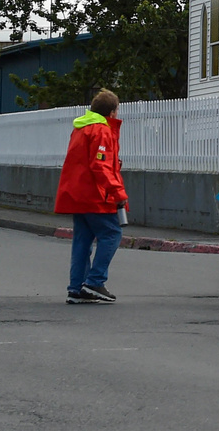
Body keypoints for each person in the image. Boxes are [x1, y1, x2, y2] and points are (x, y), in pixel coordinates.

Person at [54, 89, 127, 304]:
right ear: (112, 112)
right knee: (112, 234)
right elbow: (101, 165)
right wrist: (118, 192)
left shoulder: (80, 128)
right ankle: (94, 281)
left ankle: (76, 288)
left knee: (82, 240)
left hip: (77, 194)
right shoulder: (102, 131)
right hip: (96, 195)